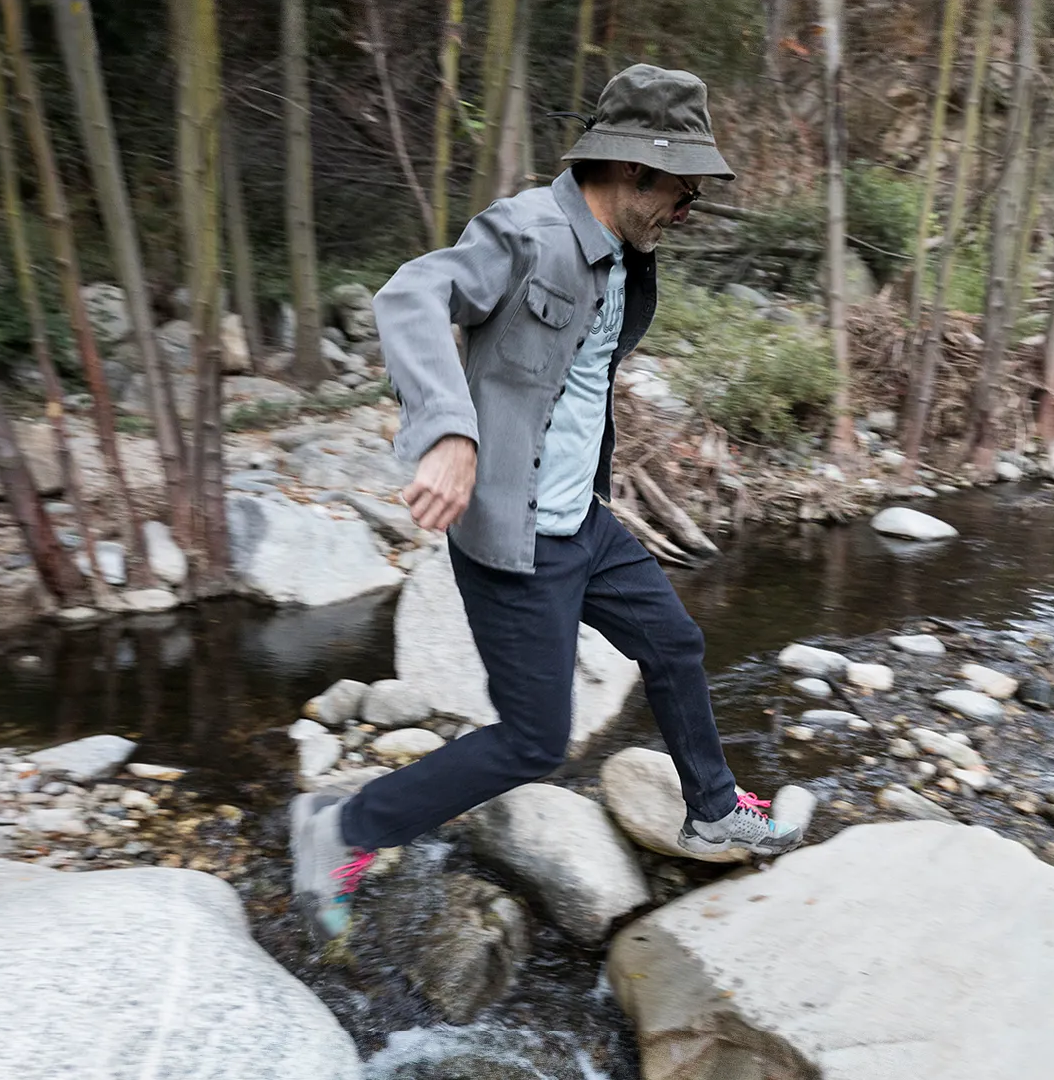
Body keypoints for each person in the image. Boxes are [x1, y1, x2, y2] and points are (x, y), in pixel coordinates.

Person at [289, 64, 805, 939]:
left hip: (584, 524)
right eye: (684, 188)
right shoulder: (526, 229)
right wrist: (450, 431)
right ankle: (341, 827)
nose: (691, 208)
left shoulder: (627, 258)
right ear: (634, 168)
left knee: (675, 644)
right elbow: (411, 294)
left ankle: (712, 808)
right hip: (513, 536)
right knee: (533, 742)